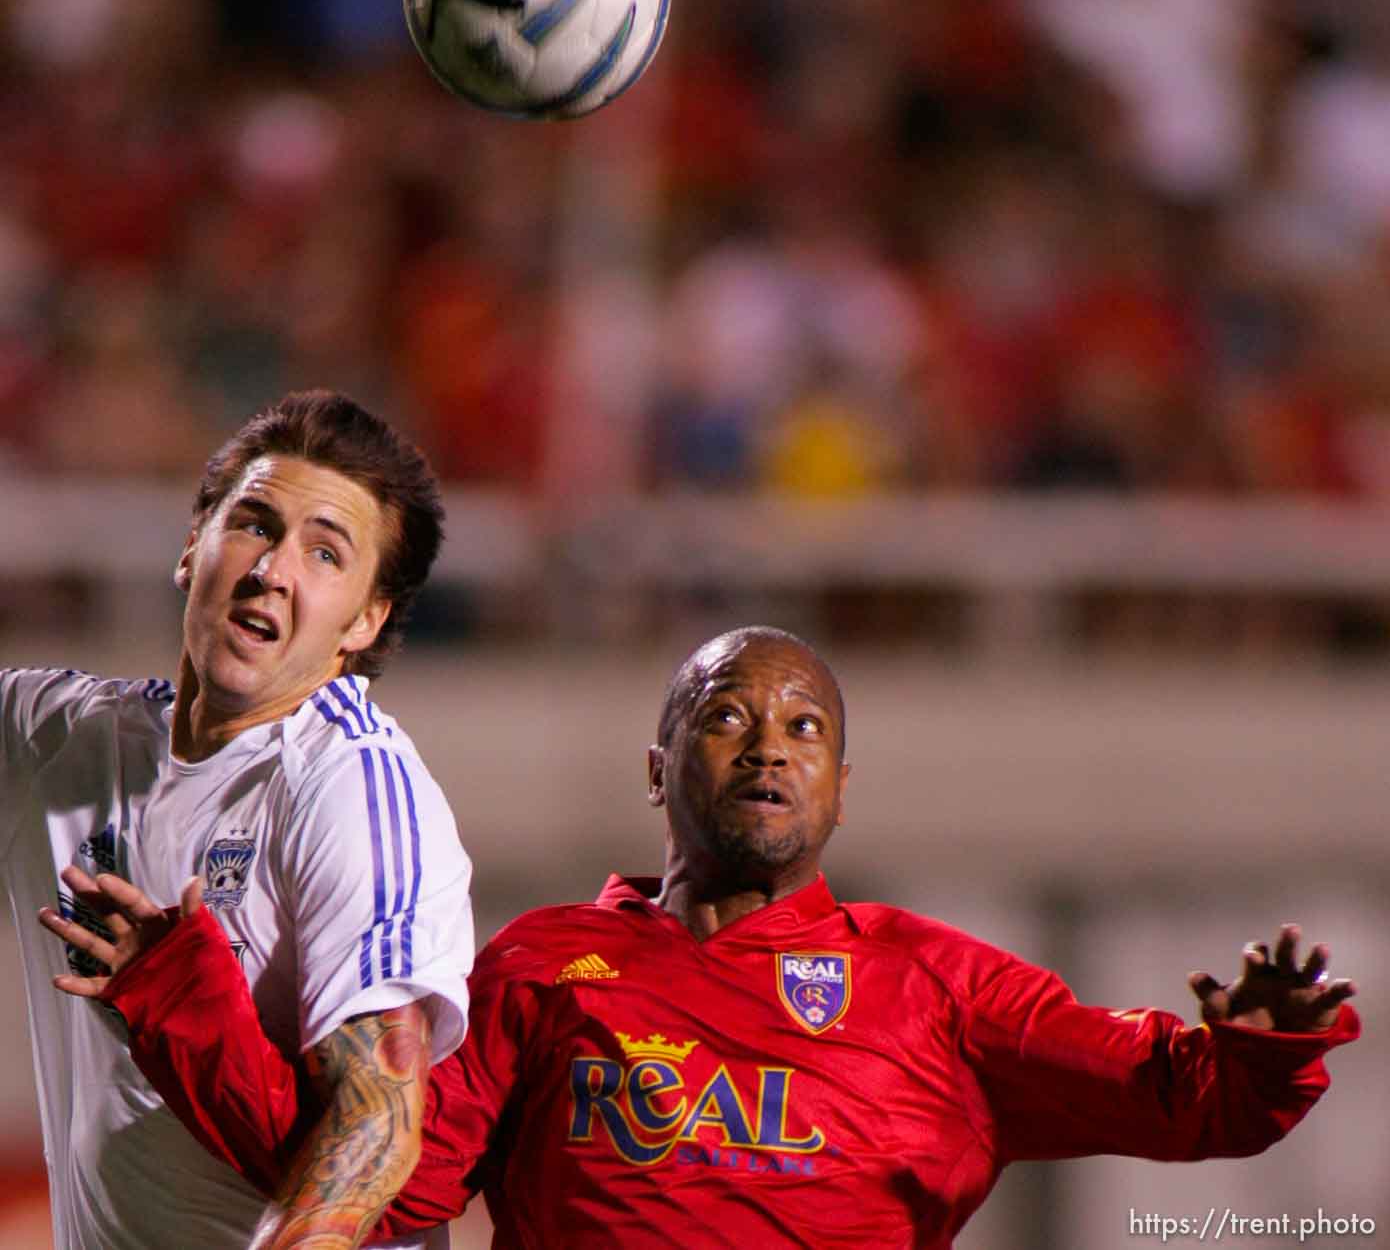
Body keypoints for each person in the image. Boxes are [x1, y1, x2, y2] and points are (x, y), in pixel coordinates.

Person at [43, 626, 1358, 1249]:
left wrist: (1262, 1047)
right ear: (657, 766)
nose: (768, 746)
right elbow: (366, 1172)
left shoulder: (938, 984)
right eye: (728, 716)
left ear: (840, 788)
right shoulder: (541, 964)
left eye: (805, 729)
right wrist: (184, 994)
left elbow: (1189, 1099)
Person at [4, 390, 475, 1250]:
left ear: (364, 621)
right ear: (194, 545)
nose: (273, 570)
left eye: (325, 553)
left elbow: (377, 1122)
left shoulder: (350, 785)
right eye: (256, 524)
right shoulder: (59, 743)